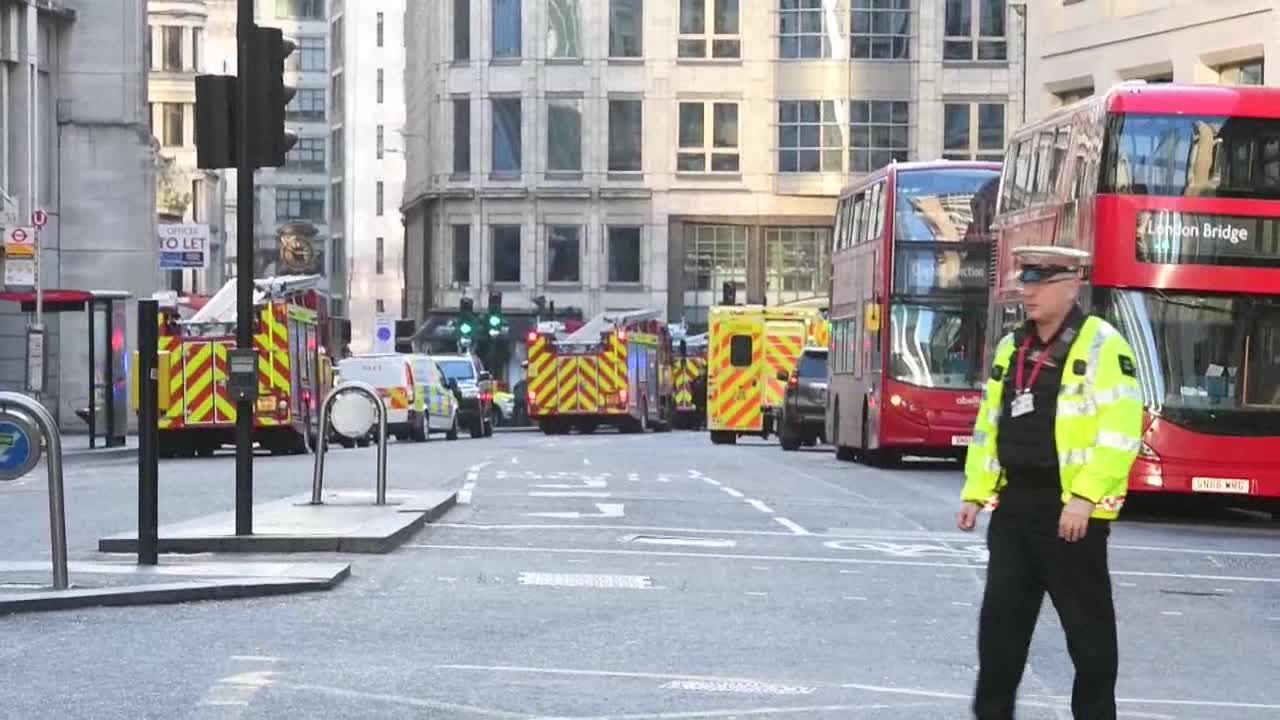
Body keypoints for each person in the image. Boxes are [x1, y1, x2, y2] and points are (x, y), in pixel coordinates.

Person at [957, 246, 1144, 720]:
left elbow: (1120, 435)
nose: (1029, 291)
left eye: (1040, 281)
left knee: (1091, 643)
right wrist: (975, 493)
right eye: (1026, 280)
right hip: (1014, 510)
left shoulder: (1103, 345)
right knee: (998, 639)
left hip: (1069, 517)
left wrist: (1084, 499)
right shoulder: (1011, 347)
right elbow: (989, 425)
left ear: (1071, 285)